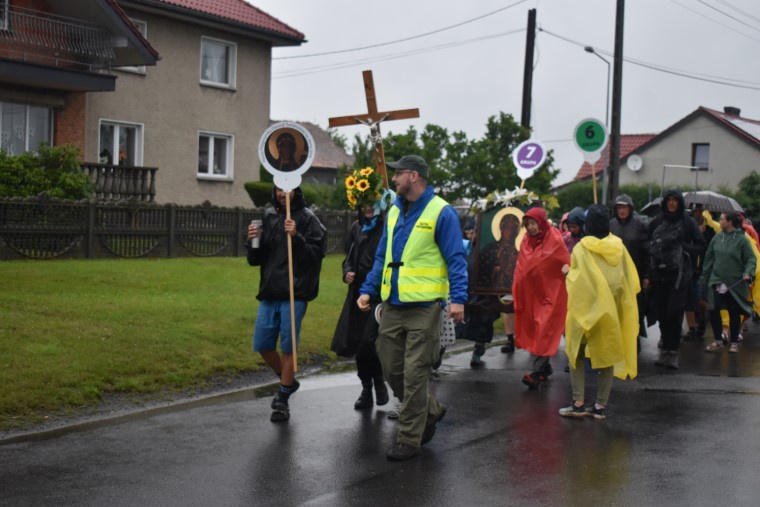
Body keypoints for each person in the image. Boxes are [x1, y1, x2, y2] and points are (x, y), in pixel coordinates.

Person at [357, 155, 468, 461]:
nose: (393, 179)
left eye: (398, 174)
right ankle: (429, 410)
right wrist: (368, 289)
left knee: (415, 372)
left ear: (414, 176)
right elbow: (382, 255)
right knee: (391, 367)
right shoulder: (393, 211)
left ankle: (409, 438)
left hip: (425, 308)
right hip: (392, 304)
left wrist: (458, 298)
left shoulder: (441, 212)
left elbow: (456, 258)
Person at [246, 186, 326, 422]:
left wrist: (296, 237)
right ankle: (288, 381)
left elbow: (315, 256)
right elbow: (255, 259)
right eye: (279, 189)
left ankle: (282, 400)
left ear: (297, 190)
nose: (282, 194)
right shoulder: (269, 215)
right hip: (270, 291)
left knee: (289, 348)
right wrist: (252, 241)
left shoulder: (309, 219)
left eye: (287, 189)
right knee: (262, 344)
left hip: (295, 292)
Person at [560, 204, 640, 419]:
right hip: (610, 310)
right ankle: (600, 407)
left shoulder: (582, 248)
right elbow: (627, 279)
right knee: (607, 356)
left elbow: (579, 281)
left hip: (584, 311)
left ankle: (578, 403)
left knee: (575, 353)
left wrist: (568, 272)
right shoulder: (619, 247)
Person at [331, 205, 389, 410]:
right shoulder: (356, 227)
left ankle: (380, 381)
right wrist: (347, 272)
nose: (369, 207)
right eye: (364, 202)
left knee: (369, 342)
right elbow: (347, 259)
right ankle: (366, 389)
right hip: (357, 297)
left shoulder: (387, 227)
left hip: (379, 295)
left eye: (373, 202)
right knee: (358, 343)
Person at [647, 189, 706, 369]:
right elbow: (648, 242)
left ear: (679, 203)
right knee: (662, 312)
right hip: (660, 275)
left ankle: (673, 351)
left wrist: (682, 248)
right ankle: (665, 347)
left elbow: (701, 245)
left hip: (680, 276)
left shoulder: (687, 222)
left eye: (675, 200)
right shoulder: (658, 220)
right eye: (669, 200)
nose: (672, 203)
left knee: (675, 311)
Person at [512, 207, 570, 389]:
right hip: (531, 294)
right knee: (536, 329)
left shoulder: (554, 239)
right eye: (527, 224)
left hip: (551, 294)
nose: (530, 227)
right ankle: (544, 368)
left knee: (544, 328)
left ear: (541, 222)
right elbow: (522, 267)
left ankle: (537, 373)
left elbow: (565, 263)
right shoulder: (526, 241)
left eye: (533, 223)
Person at [701, 212, 756, 354]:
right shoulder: (717, 238)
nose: (719, 221)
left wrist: (748, 272)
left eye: (721, 219)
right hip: (717, 280)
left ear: (730, 222)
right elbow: (709, 258)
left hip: (735, 283)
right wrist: (704, 278)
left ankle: (734, 342)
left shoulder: (742, 240)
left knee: (734, 312)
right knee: (714, 309)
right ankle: (718, 340)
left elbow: (750, 259)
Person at [609, 194, 650, 350]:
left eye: (624, 207)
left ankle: (634, 338)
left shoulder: (639, 225)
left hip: (635, 273)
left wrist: (647, 275)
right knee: (616, 307)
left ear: (630, 208)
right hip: (614, 273)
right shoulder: (610, 225)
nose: (622, 210)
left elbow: (646, 251)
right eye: (619, 207)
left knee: (635, 308)